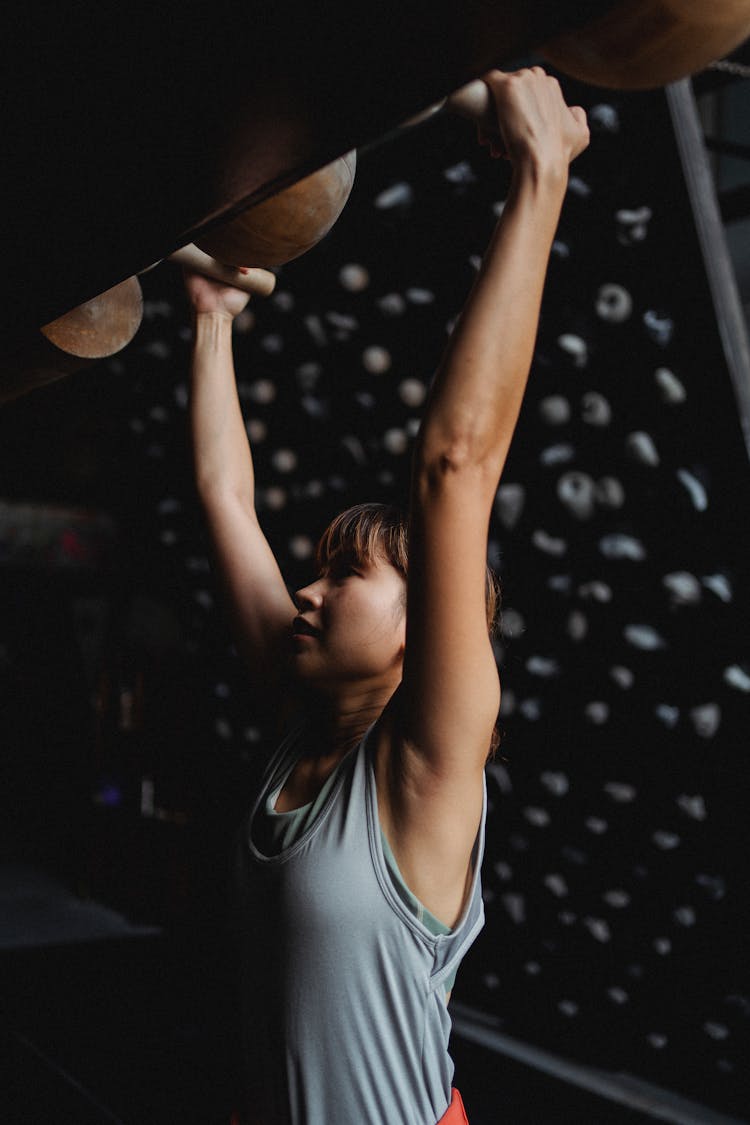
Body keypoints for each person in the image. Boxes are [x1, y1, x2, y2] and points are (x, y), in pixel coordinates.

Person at [183, 67, 589, 1125]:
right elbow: (227, 496)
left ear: (423, 632)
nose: (307, 593)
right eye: (316, 570)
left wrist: (539, 177)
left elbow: (455, 466)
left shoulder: (427, 770)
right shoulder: (297, 718)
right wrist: (215, 319)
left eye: (346, 574)